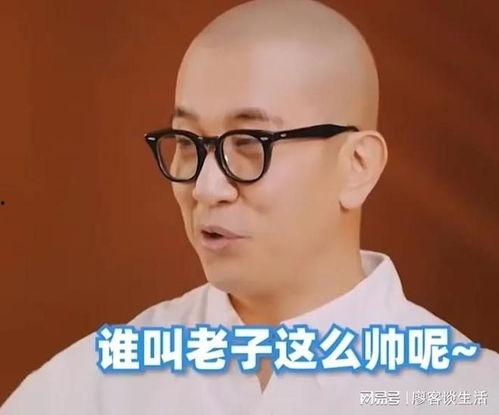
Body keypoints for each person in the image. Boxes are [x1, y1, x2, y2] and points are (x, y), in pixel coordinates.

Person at [2, 0, 498, 413]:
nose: (206, 187)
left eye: (249, 143)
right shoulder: (90, 390)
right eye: (188, 141)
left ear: (357, 166)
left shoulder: (468, 394)